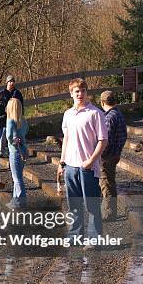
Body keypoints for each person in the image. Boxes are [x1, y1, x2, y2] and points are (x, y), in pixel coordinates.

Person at [57, 78, 107, 247]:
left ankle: (94, 239)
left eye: (83, 91)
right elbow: (66, 139)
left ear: (87, 93)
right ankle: (75, 236)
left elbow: (102, 140)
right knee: (74, 205)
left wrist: (91, 161)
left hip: (87, 167)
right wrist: (62, 162)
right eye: (76, 91)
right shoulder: (67, 114)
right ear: (71, 93)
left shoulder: (95, 113)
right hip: (70, 166)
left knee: (92, 205)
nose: (80, 94)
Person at [99, 90, 127, 221]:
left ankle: (109, 213)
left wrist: (99, 155)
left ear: (102, 102)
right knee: (110, 181)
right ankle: (110, 211)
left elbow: (107, 140)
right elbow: (123, 136)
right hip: (116, 153)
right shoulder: (119, 114)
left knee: (106, 183)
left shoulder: (109, 117)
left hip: (107, 156)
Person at [5, 98, 28, 209]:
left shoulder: (10, 120)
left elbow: (8, 136)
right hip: (23, 150)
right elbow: (27, 130)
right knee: (18, 176)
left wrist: (11, 141)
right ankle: (15, 200)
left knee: (17, 178)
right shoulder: (22, 120)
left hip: (14, 151)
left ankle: (21, 202)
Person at [0, 75, 24, 156]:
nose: (11, 83)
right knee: (2, 136)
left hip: (14, 117)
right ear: (7, 82)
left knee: (14, 135)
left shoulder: (17, 93)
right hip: (4, 117)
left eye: (13, 81)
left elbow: (21, 105)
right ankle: (1, 152)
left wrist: (21, 116)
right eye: (10, 81)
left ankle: (16, 151)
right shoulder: (2, 93)